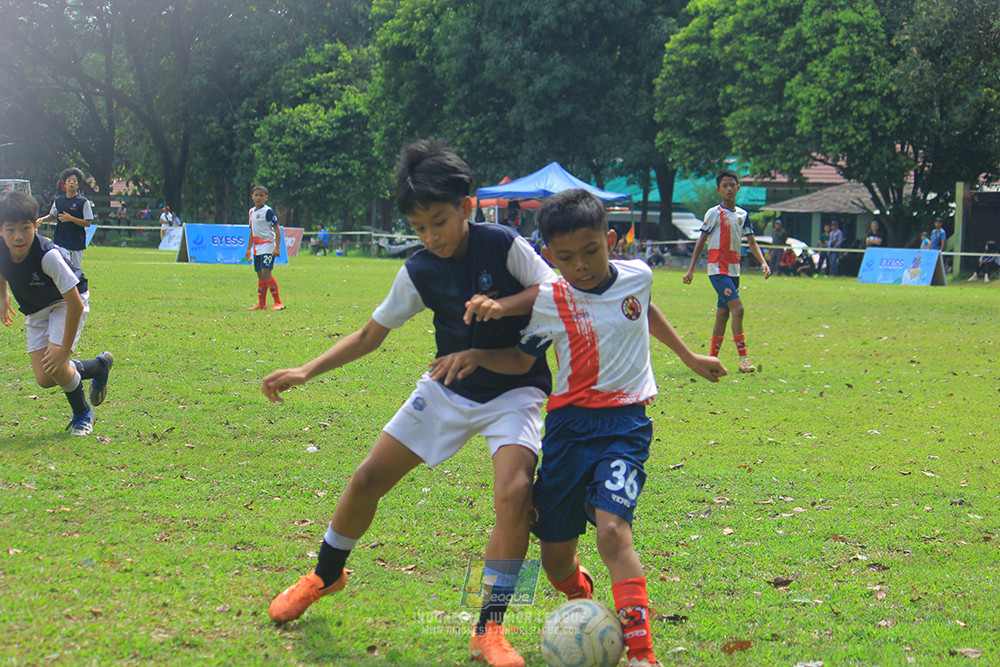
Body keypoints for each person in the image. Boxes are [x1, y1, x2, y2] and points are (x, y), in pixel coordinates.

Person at [261, 139, 557, 667]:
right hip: (447, 384)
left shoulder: (503, 244)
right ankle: (326, 576)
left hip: (516, 388)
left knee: (514, 495)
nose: (431, 237)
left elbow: (556, 291)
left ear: (467, 206)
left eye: (439, 221)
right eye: (419, 227)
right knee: (368, 477)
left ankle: (490, 627)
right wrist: (307, 369)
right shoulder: (420, 269)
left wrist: (502, 304)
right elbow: (370, 334)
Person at [429, 189, 727, 667]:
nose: (582, 265)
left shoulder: (639, 276)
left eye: (592, 251)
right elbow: (522, 359)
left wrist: (689, 356)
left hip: (626, 425)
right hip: (567, 430)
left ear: (611, 239)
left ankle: (642, 654)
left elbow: (642, 307)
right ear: (549, 256)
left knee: (613, 531)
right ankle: (576, 590)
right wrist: (476, 355)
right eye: (565, 257)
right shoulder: (548, 299)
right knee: (554, 563)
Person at [0, 191, 113, 437]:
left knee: (57, 363)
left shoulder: (47, 255)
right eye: (10, 230)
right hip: (36, 308)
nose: (18, 236)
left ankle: (84, 414)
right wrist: (3, 294)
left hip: (67, 301)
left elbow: (74, 304)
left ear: (35, 226)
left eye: (25, 228)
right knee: (45, 378)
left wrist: (64, 349)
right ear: (1, 231)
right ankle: (97, 367)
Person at [683, 169, 770, 373]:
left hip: (734, 271)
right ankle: (743, 359)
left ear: (738, 188)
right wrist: (691, 269)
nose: (729, 189)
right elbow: (701, 241)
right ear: (718, 190)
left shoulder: (743, 215)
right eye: (725, 186)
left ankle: (712, 359)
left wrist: (763, 262)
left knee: (723, 314)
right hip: (717, 270)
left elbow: (752, 243)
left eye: (732, 185)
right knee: (738, 309)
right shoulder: (714, 213)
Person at [35, 168, 94, 269]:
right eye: (69, 180)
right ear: (64, 184)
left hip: (76, 242)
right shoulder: (58, 201)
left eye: (74, 181)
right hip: (61, 241)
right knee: (63, 269)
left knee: (75, 271)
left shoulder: (83, 202)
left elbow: (88, 222)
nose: (72, 183)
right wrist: (42, 219)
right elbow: (53, 216)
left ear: (78, 184)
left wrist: (71, 218)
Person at [245, 185, 285, 311]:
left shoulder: (268, 212)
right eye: (256, 195)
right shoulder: (251, 212)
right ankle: (262, 304)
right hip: (257, 247)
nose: (258, 198)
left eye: (261, 196)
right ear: (252, 197)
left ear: (266, 197)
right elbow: (252, 231)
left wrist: (277, 247)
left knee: (266, 272)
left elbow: (277, 230)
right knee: (260, 275)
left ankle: (278, 302)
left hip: (268, 245)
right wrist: (248, 249)